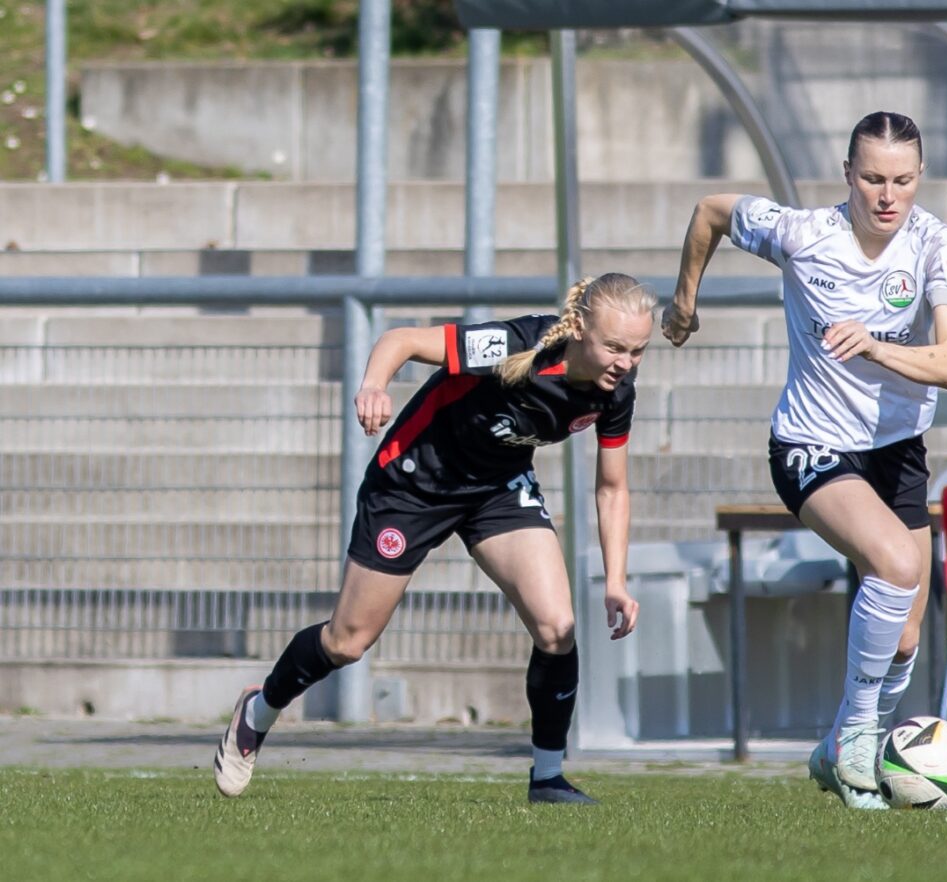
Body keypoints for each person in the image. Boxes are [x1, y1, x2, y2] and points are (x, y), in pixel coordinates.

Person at [214, 272, 657, 805]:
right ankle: (258, 711)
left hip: (496, 491)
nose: (625, 363)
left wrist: (615, 581)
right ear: (581, 328)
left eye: (637, 351)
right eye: (615, 347)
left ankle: (547, 777)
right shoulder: (514, 345)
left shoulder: (617, 391)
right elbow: (401, 339)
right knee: (347, 641)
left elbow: (613, 489)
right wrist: (374, 385)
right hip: (411, 485)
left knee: (557, 627)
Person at [663, 111, 947, 810]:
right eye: (871, 178)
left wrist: (873, 346)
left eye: (901, 180)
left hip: (897, 452)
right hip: (812, 447)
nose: (886, 195)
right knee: (896, 565)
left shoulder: (935, 244)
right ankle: (860, 738)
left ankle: (838, 749)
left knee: (905, 636)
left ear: (920, 178)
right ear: (847, 175)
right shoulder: (804, 235)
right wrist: (684, 303)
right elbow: (711, 212)